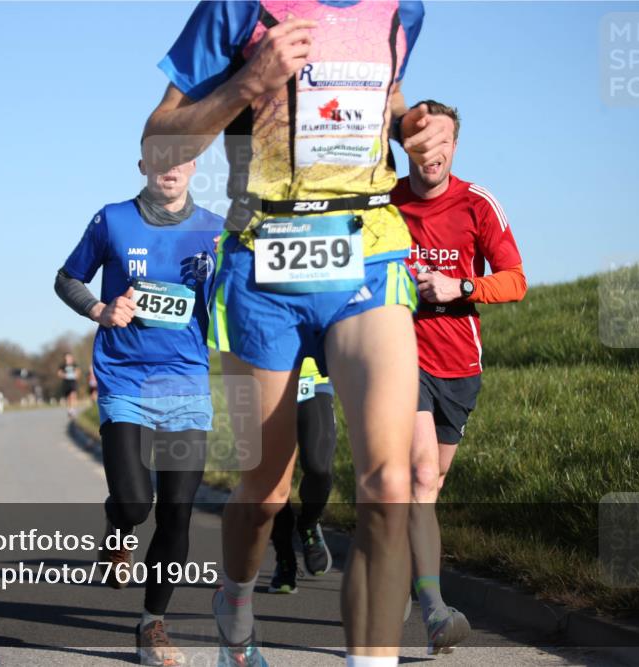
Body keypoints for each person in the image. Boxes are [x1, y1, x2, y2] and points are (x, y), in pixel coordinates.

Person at [146, 2, 454, 665]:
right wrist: (247, 82)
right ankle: (235, 603)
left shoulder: (403, 10)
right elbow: (159, 140)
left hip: (367, 253)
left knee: (388, 481)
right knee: (266, 490)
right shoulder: (236, 10)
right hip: (261, 270)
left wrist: (409, 126)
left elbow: (389, 85)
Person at [55, 153, 223, 666]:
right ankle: (118, 528)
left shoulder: (216, 232)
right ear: (143, 163)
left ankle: (152, 624)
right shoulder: (113, 219)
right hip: (125, 379)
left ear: (194, 165)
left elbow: (230, 303)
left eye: (182, 157)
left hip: (186, 385)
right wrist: (99, 310)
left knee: (177, 513)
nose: (170, 166)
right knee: (134, 504)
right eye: (160, 156)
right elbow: (67, 279)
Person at [391, 100, 526, 655]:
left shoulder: (476, 203)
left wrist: (460, 286)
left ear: (454, 146)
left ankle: (406, 579)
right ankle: (436, 611)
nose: (432, 152)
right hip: (403, 355)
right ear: (407, 148)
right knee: (420, 479)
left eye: (442, 141)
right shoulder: (387, 204)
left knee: (432, 485)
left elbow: (515, 280)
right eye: (420, 142)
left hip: (460, 366)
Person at [268, 356, 338, 594]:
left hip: (313, 377)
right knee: (273, 480)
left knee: (320, 467)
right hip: (265, 377)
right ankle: (285, 558)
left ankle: (308, 524)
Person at [57, 353, 80, 417]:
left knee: (73, 395)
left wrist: (75, 375)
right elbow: (59, 373)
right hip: (66, 382)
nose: (68, 359)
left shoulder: (74, 365)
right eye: (67, 358)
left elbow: (78, 373)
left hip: (73, 382)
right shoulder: (63, 366)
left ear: (71, 358)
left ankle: (73, 409)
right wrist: (64, 375)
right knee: (68, 397)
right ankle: (70, 409)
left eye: (69, 357)